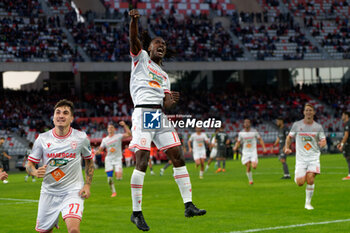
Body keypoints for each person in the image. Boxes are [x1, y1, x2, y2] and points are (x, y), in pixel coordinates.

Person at [128, 9, 206, 231]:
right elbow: (133, 39)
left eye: (164, 44)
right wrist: (134, 21)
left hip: (157, 115)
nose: (161, 46)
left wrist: (172, 100)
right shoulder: (141, 58)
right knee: (142, 161)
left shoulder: (164, 76)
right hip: (142, 112)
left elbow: (167, 105)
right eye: (157, 43)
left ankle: (188, 205)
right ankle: (136, 213)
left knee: (178, 156)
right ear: (149, 47)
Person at [26, 99, 94, 233]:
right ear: (53, 117)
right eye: (58, 112)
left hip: (73, 190)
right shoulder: (42, 139)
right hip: (49, 191)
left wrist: (87, 185)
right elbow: (29, 164)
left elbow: (89, 161)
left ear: (72, 118)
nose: (61, 115)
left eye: (65, 113)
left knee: (73, 230)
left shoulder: (81, 137)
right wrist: (34, 172)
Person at [284, 103, 326, 210]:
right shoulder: (297, 125)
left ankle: (308, 203)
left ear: (314, 112)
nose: (308, 112)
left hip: (313, 157)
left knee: (311, 179)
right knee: (300, 183)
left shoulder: (318, 127)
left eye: (310, 110)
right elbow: (289, 137)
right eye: (306, 110)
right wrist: (286, 147)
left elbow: (323, 139)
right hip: (301, 159)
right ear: (303, 112)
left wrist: (323, 143)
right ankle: (298, 176)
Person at [96, 121, 131, 197]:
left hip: (118, 159)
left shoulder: (118, 136)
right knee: (109, 179)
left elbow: (129, 134)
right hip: (109, 159)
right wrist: (97, 152)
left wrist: (125, 125)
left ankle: (117, 172)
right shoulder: (105, 140)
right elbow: (100, 149)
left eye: (111, 127)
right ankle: (114, 192)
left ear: (114, 129)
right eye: (109, 128)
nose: (110, 129)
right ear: (107, 129)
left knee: (119, 178)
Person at [233, 119, 267, 185]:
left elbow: (260, 139)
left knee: (254, 167)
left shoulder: (254, 132)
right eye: (245, 123)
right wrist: (235, 147)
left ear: (250, 124)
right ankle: (250, 181)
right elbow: (238, 142)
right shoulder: (241, 133)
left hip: (253, 151)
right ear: (243, 124)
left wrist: (264, 148)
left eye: (248, 123)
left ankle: (252, 163)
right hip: (245, 152)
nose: (246, 124)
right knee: (248, 165)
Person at [337, 111, 350, 180]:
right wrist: (340, 143)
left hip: (348, 144)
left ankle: (349, 175)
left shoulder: (347, 124)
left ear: (346, 116)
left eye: (343, 115)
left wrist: (342, 144)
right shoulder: (347, 123)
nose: (342, 116)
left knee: (348, 158)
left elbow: (346, 135)